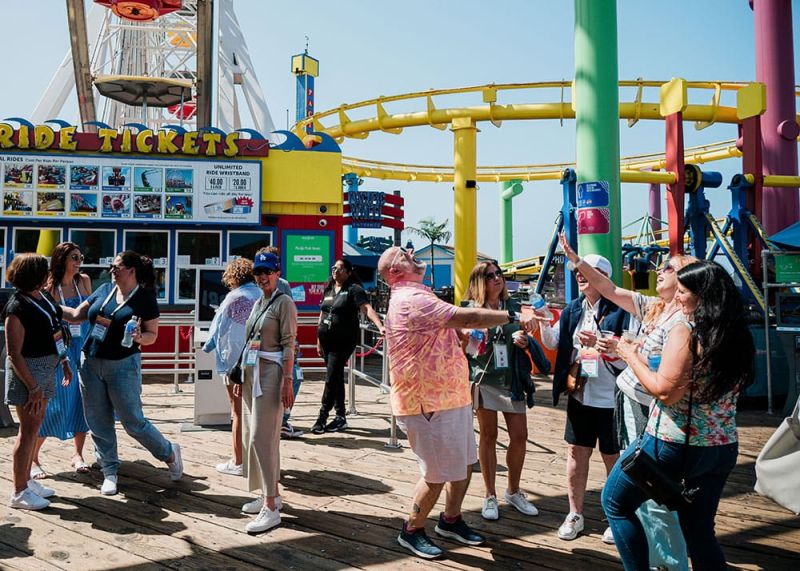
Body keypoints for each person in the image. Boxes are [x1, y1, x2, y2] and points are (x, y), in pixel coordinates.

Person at [377, 246, 535, 559]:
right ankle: (411, 529)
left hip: (450, 396)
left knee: (463, 464)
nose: (410, 250)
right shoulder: (411, 298)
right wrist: (514, 315)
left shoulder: (419, 294)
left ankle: (450, 520)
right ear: (394, 271)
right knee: (436, 475)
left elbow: (451, 330)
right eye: (402, 253)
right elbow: (467, 316)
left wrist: (461, 339)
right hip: (427, 402)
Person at [602, 260, 754, 570]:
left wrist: (630, 355)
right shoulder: (738, 334)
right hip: (722, 446)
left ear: (702, 295)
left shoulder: (685, 331)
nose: (678, 297)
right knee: (700, 532)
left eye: (683, 292)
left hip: (672, 443)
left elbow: (664, 391)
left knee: (616, 503)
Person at [560, 233, 695, 568]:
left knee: (644, 491)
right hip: (631, 404)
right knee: (636, 490)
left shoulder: (683, 322)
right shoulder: (653, 307)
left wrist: (624, 351)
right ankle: (658, 557)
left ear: (686, 280)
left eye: (668, 268)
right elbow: (608, 288)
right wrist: (575, 260)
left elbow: (666, 384)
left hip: (652, 410)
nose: (658, 270)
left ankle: (667, 561)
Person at [61, 251, 182, 496]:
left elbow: (152, 335)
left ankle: (169, 452)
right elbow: (75, 316)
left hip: (124, 366)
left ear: (131, 270)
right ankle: (109, 471)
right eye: (111, 266)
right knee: (97, 421)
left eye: (116, 267)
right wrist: (46, 303)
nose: (111, 271)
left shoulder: (145, 298)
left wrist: (139, 337)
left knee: (133, 422)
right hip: (90, 362)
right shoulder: (104, 289)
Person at [538, 253, 629, 543]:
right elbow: (554, 342)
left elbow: (629, 358)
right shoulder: (573, 309)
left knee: (612, 457)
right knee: (576, 452)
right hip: (580, 395)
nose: (579, 275)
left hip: (612, 397)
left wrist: (603, 346)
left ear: (604, 277)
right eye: (577, 271)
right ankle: (575, 514)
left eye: (586, 271)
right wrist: (542, 322)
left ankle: (617, 516)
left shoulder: (621, 309)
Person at [462, 260, 550, 521]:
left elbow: (526, 332)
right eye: (490, 276)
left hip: (512, 380)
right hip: (484, 377)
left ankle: (513, 490)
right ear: (480, 282)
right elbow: (464, 346)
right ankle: (490, 494)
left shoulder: (513, 306)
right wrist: (474, 338)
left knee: (520, 436)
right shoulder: (470, 309)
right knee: (488, 435)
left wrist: (524, 340)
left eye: (498, 273)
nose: (497, 279)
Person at [234, 252, 297, 533]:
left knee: (262, 437)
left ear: (277, 273)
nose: (262, 277)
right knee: (256, 436)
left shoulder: (284, 302)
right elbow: (252, 340)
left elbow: (289, 343)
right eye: (258, 272)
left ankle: (270, 507)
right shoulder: (260, 301)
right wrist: (242, 374)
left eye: (267, 271)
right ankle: (271, 494)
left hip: (272, 373)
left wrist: (287, 380)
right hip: (253, 373)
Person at [4, 253, 72, 509]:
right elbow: (14, 353)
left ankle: (27, 481)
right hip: (28, 372)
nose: (49, 274)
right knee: (28, 430)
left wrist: (63, 360)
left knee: (36, 427)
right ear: (33, 274)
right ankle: (19, 491)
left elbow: (55, 328)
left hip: (47, 367)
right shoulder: (16, 307)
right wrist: (32, 387)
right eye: (45, 270)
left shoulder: (41, 296)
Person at [28, 242, 92, 479]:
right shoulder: (49, 286)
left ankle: (78, 454)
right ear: (61, 259)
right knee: (54, 403)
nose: (78, 262)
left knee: (82, 401)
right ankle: (33, 457)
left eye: (80, 257)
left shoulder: (83, 280)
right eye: (74, 257)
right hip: (61, 348)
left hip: (83, 346)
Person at [202, 257, 261, 476]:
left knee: (237, 412)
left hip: (233, 362)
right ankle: (257, 460)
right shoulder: (261, 295)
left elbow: (217, 328)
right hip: (258, 359)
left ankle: (238, 461)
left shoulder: (233, 297)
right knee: (256, 411)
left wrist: (207, 348)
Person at [312, 258, 384, 435]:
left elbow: (367, 308)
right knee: (335, 377)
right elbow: (323, 313)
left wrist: (380, 326)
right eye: (333, 267)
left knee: (331, 377)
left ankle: (322, 417)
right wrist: (318, 340)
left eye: (340, 268)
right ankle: (340, 417)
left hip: (343, 341)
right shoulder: (329, 288)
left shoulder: (354, 289)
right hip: (326, 340)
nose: (335, 271)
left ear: (349, 272)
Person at [261, 246, 304, 439]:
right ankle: (282, 421)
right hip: (278, 346)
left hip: (269, 347)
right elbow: (289, 319)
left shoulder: (263, 286)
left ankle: (279, 420)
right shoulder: (281, 285)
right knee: (293, 377)